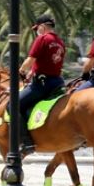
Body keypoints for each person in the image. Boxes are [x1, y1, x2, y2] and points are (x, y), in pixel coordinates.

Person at [18, 14, 66, 155]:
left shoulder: (42, 39)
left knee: (13, 106)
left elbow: (30, 60)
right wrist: (32, 72)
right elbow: (48, 62)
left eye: (37, 28)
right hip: (57, 83)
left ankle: (26, 143)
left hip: (42, 84)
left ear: (42, 27)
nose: (36, 31)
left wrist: (21, 71)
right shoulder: (60, 42)